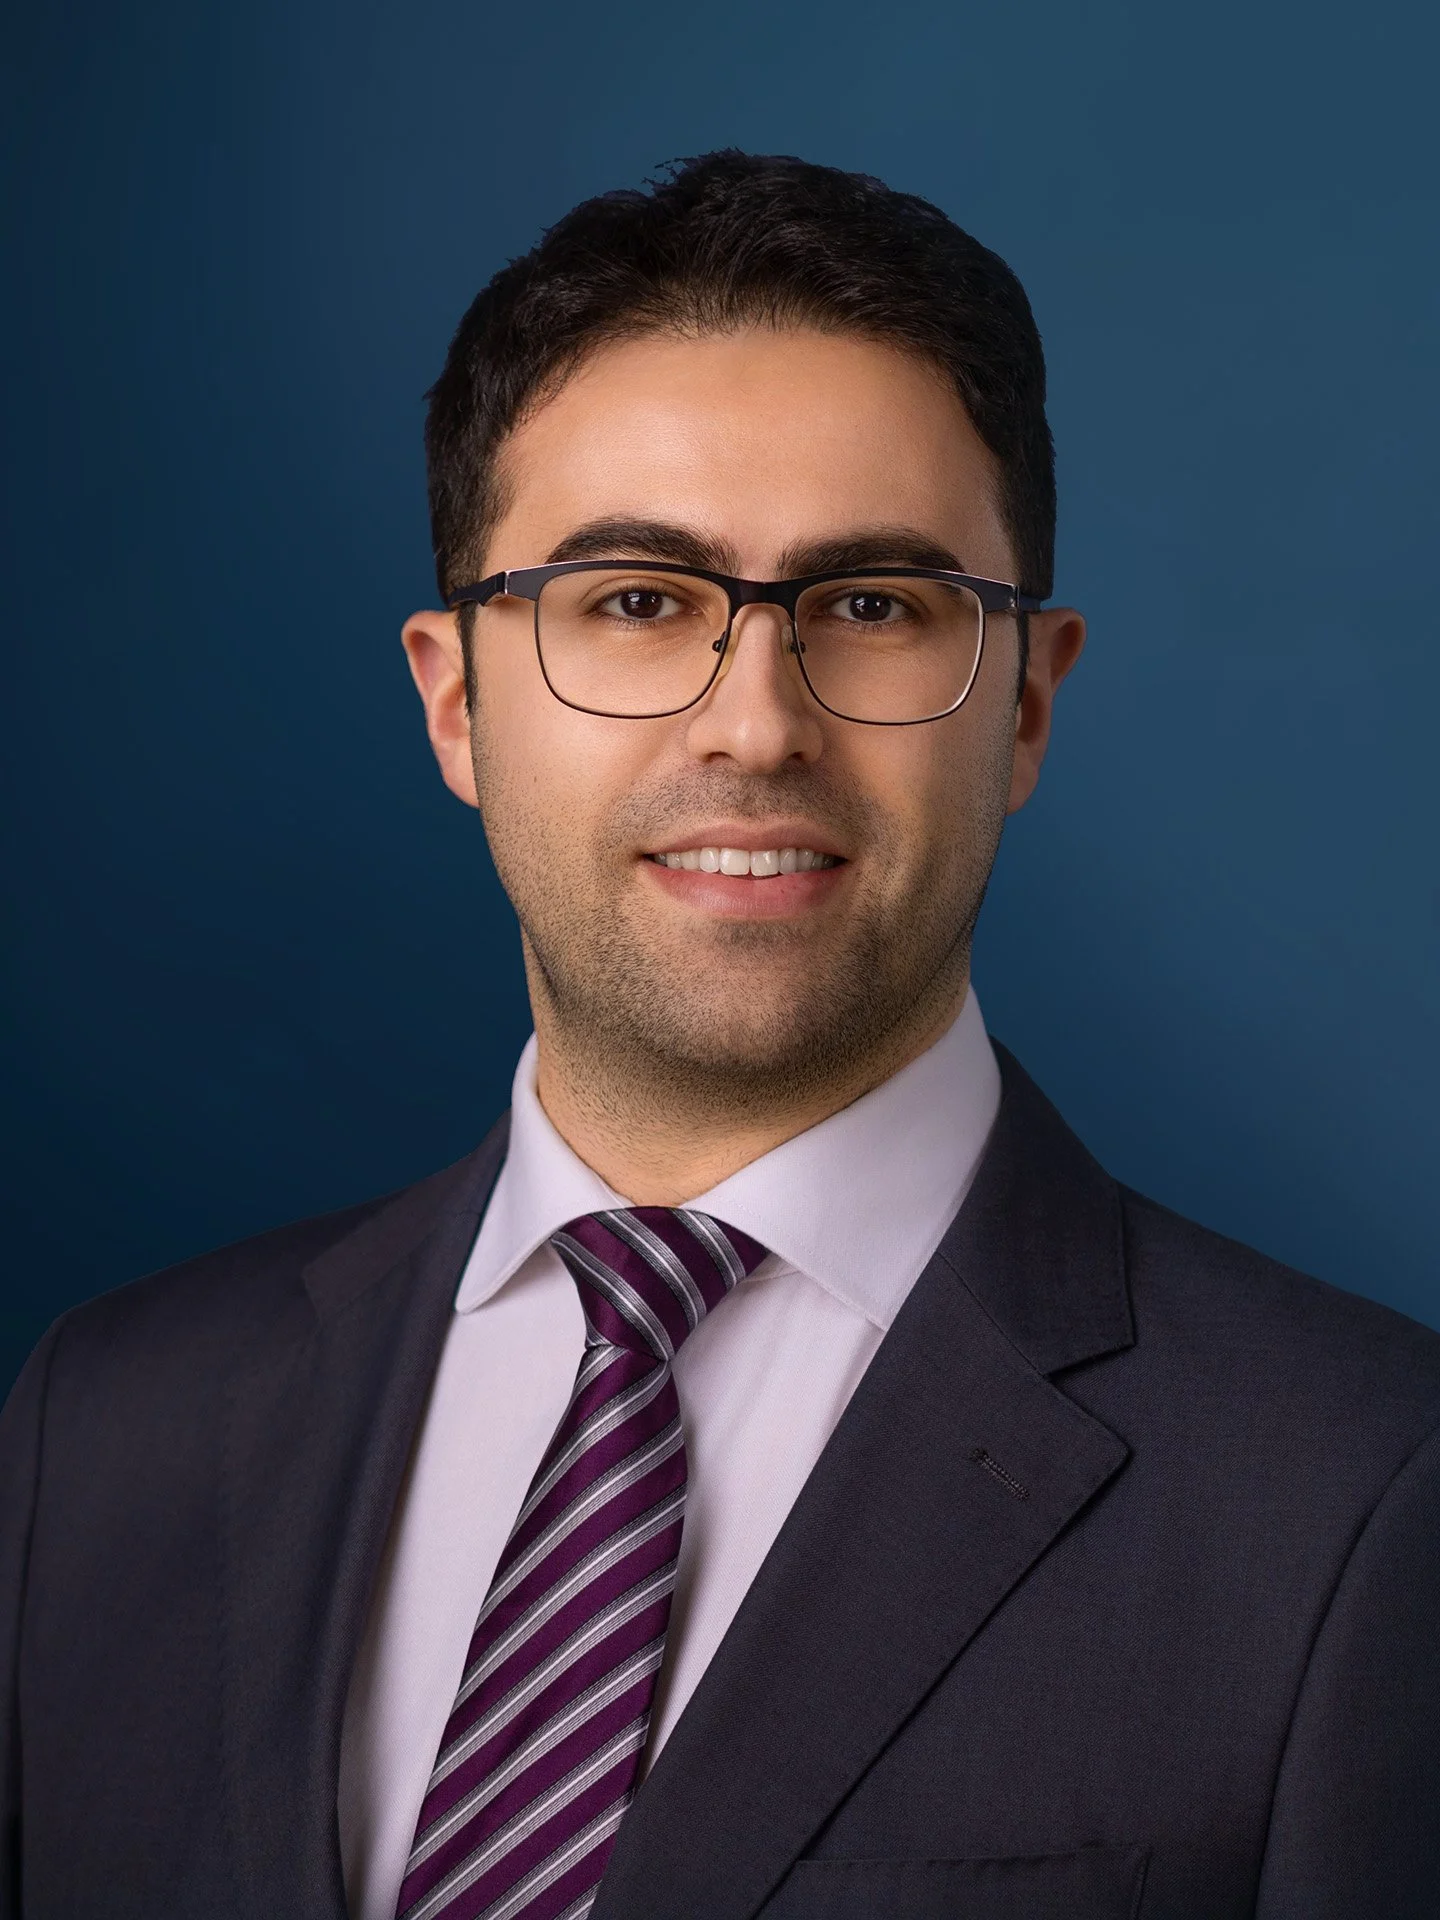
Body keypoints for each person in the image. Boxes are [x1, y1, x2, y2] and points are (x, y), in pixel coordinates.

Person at [2, 151, 1437, 1920]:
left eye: (874, 607)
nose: (755, 726)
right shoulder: (104, 1433)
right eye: (631, 601)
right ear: (456, 704)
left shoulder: (1369, 1494)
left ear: (1030, 703)